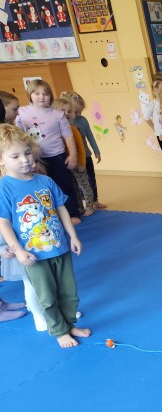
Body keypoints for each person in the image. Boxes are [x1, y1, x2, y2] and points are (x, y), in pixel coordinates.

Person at [0, 124, 90, 347]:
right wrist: (18, 250)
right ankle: (59, 331)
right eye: (15, 156)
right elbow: (4, 223)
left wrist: (73, 236)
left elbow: (61, 209)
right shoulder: (5, 188)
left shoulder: (45, 181)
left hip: (59, 247)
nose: (25, 160)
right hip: (34, 255)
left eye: (27, 153)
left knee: (69, 292)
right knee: (47, 296)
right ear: (1, 160)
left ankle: (69, 324)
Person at [14, 79, 83, 224]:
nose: (41, 97)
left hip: (57, 156)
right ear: (30, 95)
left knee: (64, 185)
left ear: (50, 96)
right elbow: (18, 135)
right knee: (40, 188)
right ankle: (48, 215)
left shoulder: (57, 114)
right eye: (37, 93)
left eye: (45, 94)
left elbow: (68, 135)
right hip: (34, 158)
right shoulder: (22, 112)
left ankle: (72, 213)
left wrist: (73, 155)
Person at [60, 91, 106, 211]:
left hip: (86, 156)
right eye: (76, 112)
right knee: (79, 183)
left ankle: (94, 201)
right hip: (75, 159)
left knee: (91, 179)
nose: (78, 114)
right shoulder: (66, 123)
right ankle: (83, 203)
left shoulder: (83, 120)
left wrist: (96, 151)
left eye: (81, 111)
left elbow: (90, 136)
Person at [53, 98, 95, 217]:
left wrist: (81, 163)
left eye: (69, 111)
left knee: (84, 185)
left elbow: (81, 148)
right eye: (63, 110)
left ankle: (90, 206)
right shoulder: (55, 131)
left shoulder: (72, 128)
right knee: (73, 187)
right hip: (66, 164)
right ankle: (79, 206)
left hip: (77, 164)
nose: (67, 113)